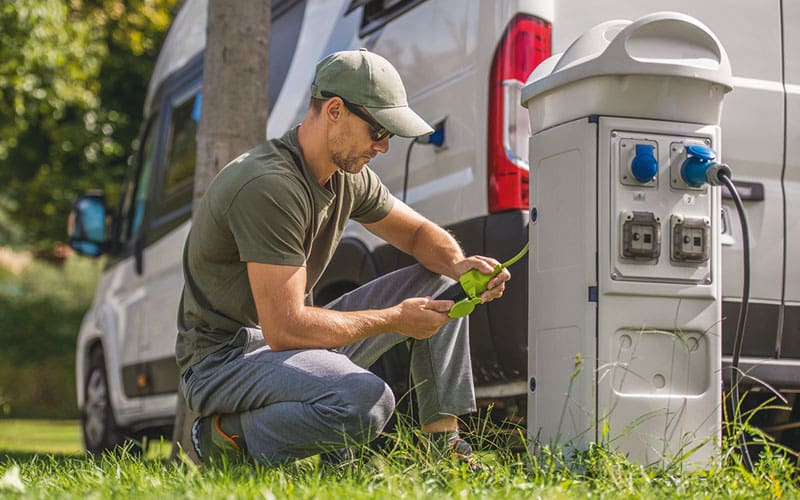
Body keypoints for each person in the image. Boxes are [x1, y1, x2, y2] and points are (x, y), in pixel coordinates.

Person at [176, 49, 511, 466]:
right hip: (224, 361)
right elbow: (284, 328)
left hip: (283, 348)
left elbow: (419, 233)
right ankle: (223, 437)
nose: (385, 147)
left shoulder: (346, 176)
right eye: (378, 131)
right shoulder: (270, 187)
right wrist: (396, 319)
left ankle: (443, 451)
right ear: (335, 110)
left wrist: (458, 264)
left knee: (441, 280)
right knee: (368, 401)